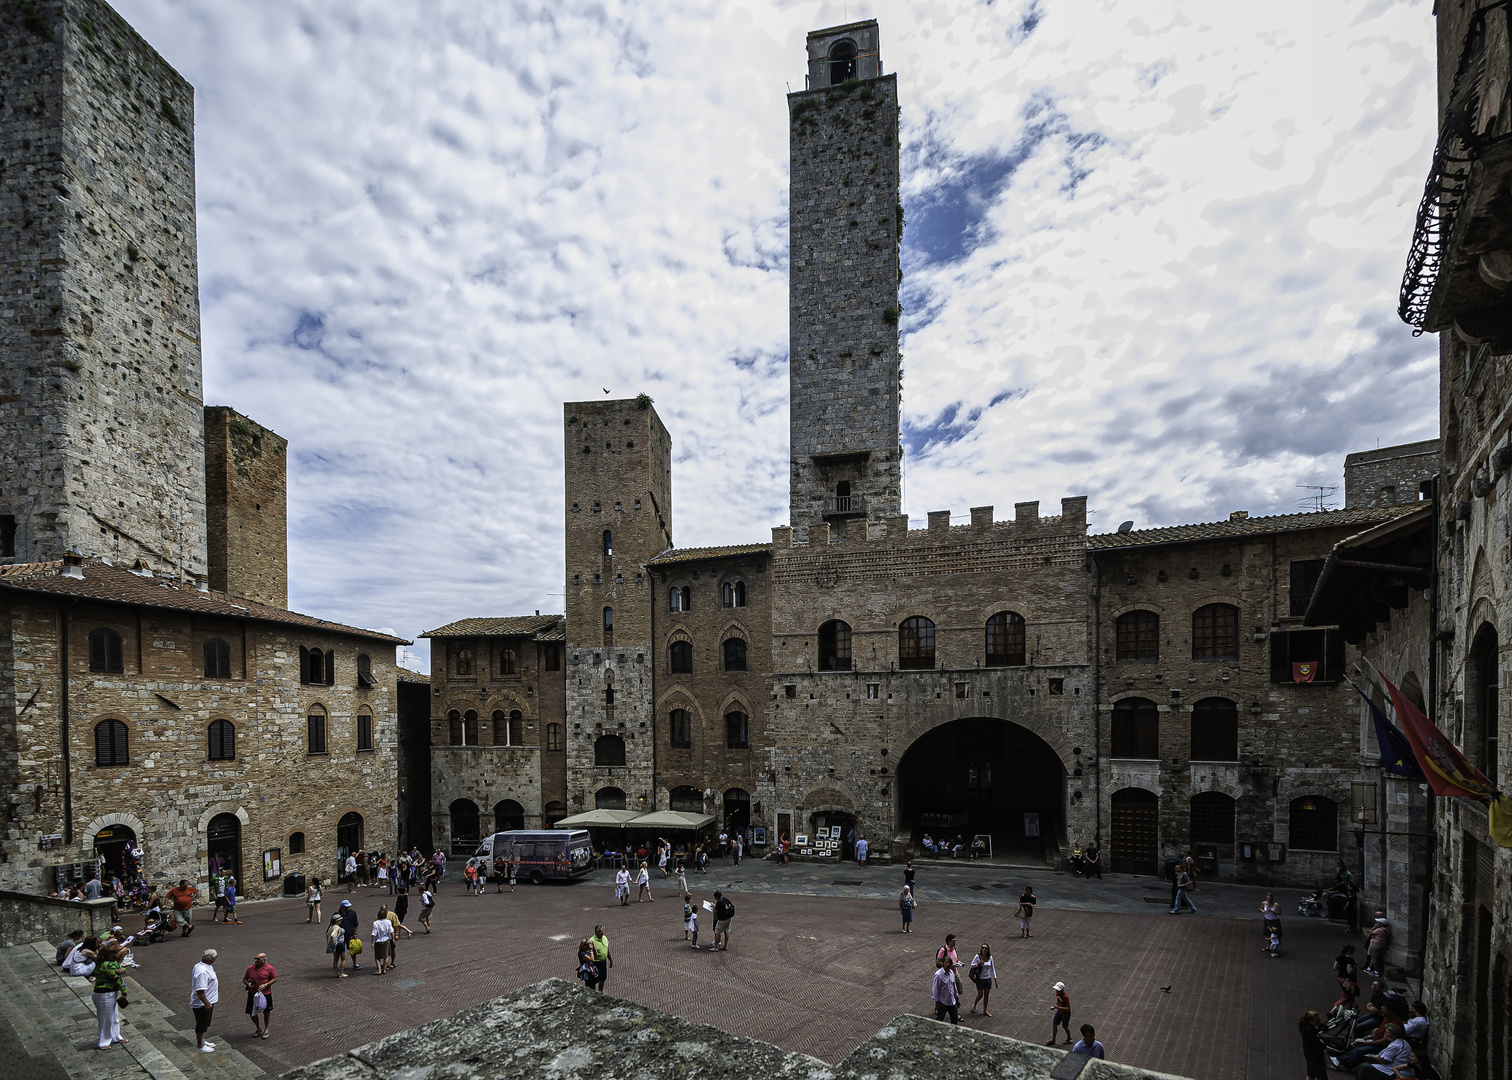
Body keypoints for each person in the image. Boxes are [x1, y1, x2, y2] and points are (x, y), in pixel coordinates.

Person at [92, 942, 127, 1050]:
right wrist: (124, 990)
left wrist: (123, 970)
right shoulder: (107, 964)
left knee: (114, 1016)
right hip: (104, 993)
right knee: (105, 1018)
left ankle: (116, 1036)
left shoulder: (106, 963)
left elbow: (120, 969)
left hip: (109, 993)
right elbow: (116, 978)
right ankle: (103, 1041)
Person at [191, 949, 219, 1053]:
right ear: (212, 959)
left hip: (209, 1000)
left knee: (205, 1022)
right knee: (201, 1023)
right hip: (202, 1003)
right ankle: (201, 1044)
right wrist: (206, 1003)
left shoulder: (203, 966)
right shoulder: (202, 971)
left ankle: (202, 1039)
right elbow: (200, 990)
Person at [243, 952, 276, 1039]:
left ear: (264, 960)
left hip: (265, 994)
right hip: (253, 994)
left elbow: (274, 978)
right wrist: (248, 984)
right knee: (251, 1013)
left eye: (258, 959)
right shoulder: (250, 968)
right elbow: (244, 979)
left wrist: (266, 984)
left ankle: (266, 1029)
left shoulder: (269, 968)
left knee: (266, 1012)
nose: (256, 960)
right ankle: (258, 1028)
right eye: (255, 958)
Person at [1297, 1010, 1328, 1080]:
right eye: (1317, 1021)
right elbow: (1319, 1044)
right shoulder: (1308, 1030)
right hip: (1315, 1058)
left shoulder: (1308, 1028)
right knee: (1322, 1077)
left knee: (1311, 1075)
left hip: (1311, 1056)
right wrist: (1321, 1042)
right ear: (1310, 1021)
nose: (1319, 1022)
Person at [968, 943, 997, 1015]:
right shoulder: (977, 957)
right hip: (980, 978)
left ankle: (985, 1010)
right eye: (983, 948)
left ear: (988, 950)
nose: (984, 949)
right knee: (980, 994)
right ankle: (974, 1004)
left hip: (987, 978)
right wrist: (978, 963)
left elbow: (992, 969)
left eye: (986, 948)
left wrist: (995, 979)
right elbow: (972, 965)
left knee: (986, 995)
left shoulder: (990, 958)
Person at [932, 956, 960, 1024]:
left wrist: (957, 998)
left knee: (955, 1020)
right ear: (943, 963)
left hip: (952, 1001)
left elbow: (954, 986)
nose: (947, 964)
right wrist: (937, 1003)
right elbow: (935, 990)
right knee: (940, 1019)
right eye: (946, 962)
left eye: (949, 963)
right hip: (943, 1002)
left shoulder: (951, 973)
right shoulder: (938, 975)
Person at [1334, 943, 1360, 1010]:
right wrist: (1355, 966)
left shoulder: (1339, 957)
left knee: (1349, 995)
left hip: (1339, 977)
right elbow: (1349, 971)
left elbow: (1334, 967)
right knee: (1345, 996)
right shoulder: (1350, 960)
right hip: (1347, 980)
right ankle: (1333, 1010)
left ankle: (1350, 1010)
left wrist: (1341, 968)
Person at [339, 900, 361, 970]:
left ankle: (354, 963)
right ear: (342, 907)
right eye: (346, 907)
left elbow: (356, 924)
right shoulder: (337, 914)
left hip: (350, 933)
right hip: (340, 935)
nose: (348, 908)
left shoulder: (353, 913)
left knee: (352, 949)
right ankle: (343, 963)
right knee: (341, 950)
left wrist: (355, 933)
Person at [371, 906, 394, 975]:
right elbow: (391, 931)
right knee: (386, 956)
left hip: (378, 941)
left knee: (377, 957)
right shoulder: (388, 922)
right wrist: (392, 939)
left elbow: (374, 934)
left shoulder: (375, 923)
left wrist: (372, 942)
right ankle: (384, 969)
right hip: (386, 940)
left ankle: (379, 970)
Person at [589, 925, 612, 992]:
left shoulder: (604, 938)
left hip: (603, 962)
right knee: (594, 980)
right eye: (600, 931)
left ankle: (600, 992)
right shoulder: (591, 941)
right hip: (596, 963)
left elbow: (607, 950)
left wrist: (610, 959)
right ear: (596, 932)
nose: (602, 933)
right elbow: (590, 954)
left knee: (603, 978)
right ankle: (593, 992)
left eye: (602, 931)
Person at [327, 913, 349, 978]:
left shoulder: (331, 927)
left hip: (335, 945)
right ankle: (341, 973)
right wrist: (336, 941)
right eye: (340, 920)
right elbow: (333, 935)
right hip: (340, 944)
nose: (341, 921)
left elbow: (328, 935)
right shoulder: (337, 927)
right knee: (344, 959)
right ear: (336, 921)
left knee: (335, 959)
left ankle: (335, 973)